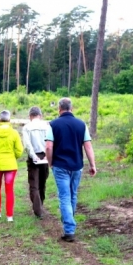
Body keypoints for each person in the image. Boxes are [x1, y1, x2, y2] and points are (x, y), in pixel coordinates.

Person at [45, 98, 97, 242]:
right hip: (77, 166)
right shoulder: (81, 124)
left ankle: (69, 229)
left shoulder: (53, 125)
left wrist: (50, 163)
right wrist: (92, 165)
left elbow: (49, 147)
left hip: (60, 166)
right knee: (72, 195)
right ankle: (69, 221)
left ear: (59, 109)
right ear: (71, 109)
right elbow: (88, 146)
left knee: (64, 196)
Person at [0, 110, 23, 222]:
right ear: (9, 120)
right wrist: (13, 157)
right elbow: (19, 150)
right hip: (10, 164)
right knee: (9, 189)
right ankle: (9, 216)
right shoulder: (14, 133)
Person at [22, 106, 49, 219]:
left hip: (34, 157)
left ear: (30, 116)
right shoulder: (47, 126)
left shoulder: (27, 127)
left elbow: (27, 145)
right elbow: (50, 143)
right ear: (40, 115)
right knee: (42, 182)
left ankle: (38, 210)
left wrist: (33, 156)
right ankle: (40, 205)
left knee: (34, 184)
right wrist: (48, 156)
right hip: (45, 156)